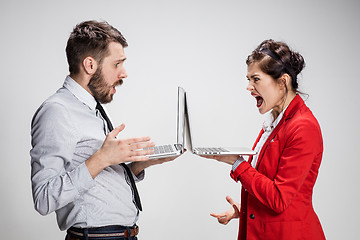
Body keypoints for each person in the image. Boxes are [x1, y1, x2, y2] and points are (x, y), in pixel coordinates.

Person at [30, 20, 179, 240]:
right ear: (90, 65)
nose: (124, 73)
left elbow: (98, 182)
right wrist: (101, 158)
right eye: (117, 64)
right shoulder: (57, 111)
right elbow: (43, 199)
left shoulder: (91, 108)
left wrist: (138, 165)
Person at [203, 39, 325, 239]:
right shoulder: (275, 121)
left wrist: (236, 162)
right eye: (248, 79)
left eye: (256, 79)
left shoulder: (303, 127)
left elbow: (279, 199)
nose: (249, 87)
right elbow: (271, 189)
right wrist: (241, 211)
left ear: (282, 82)